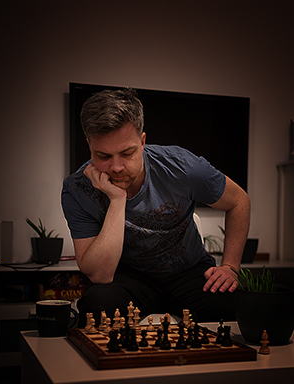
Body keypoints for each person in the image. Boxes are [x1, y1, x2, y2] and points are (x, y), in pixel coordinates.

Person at [62, 88, 250, 327]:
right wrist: (117, 200)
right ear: (89, 145)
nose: (116, 167)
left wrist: (231, 266)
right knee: (97, 306)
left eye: (127, 153)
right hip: (127, 277)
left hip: (189, 273)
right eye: (103, 156)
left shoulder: (181, 166)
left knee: (235, 305)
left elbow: (238, 201)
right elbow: (100, 275)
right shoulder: (77, 188)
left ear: (142, 142)